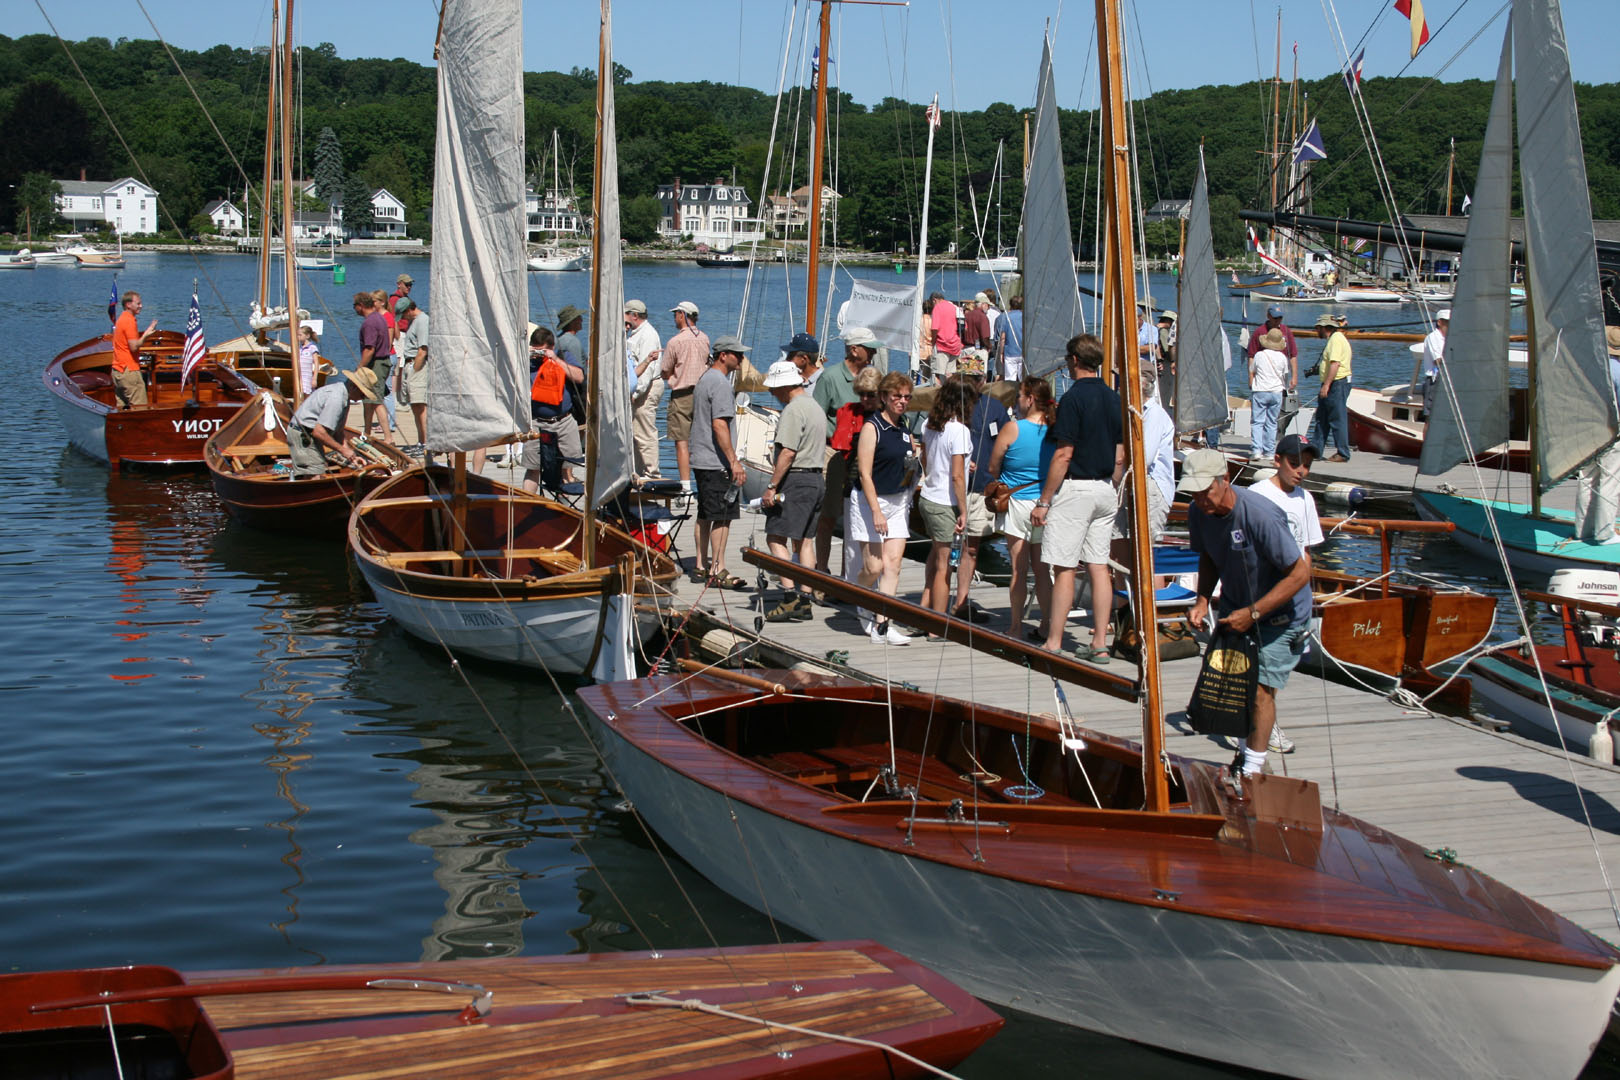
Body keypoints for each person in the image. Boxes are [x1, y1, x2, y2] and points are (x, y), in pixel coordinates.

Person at [1180, 448, 1311, 778]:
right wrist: (1202, 600)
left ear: (1224, 479)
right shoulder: (1199, 510)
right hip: (1238, 608)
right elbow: (1208, 555)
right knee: (1236, 685)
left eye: (1205, 491)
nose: (1200, 500)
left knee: (1260, 691)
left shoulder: (1259, 515)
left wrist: (1253, 614)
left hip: (1281, 614)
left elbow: (1300, 574)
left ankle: (1252, 771)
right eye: (1193, 493)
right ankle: (1246, 755)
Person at [1031, 334, 1123, 663]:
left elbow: (1063, 454)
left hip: (1077, 488)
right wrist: (1110, 484)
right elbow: (1120, 454)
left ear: (1074, 360)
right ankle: (1099, 642)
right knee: (1098, 566)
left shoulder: (1072, 399)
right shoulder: (1114, 398)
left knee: (1065, 566)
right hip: (1105, 488)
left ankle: (1054, 641)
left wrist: (1044, 500)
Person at [851, 372, 917, 645]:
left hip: (898, 500)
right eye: (897, 396)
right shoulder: (873, 427)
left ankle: (883, 624)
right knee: (874, 566)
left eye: (907, 397)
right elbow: (865, 473)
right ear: (884, 397)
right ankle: (860, 596)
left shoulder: (904, 428)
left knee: (893, 565)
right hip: (871, 500)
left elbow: (909, 462)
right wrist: (876, 510)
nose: (902, 401)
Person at [987, 375, 1055, 636]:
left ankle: (1015, 626)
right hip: (1046, 503)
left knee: (1019, 569)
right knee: (1042, 570)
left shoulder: (1013, 428)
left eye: (1020, 396)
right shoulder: (1054, 429)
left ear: (1030, 399)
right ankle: (1046, 624)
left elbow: (993, 466)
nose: (1017, 401)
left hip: (1017, 502)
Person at [760, 359, 827, 622]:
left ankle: (789, 597)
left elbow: (788, 452)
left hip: (796, 480)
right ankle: (805, 598)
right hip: (816, 479)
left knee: (775, 537)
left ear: (784, 386)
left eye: (773, 389)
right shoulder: (815, 407)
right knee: (805, 541)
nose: (772, 393)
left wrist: (772, 486)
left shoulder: (793, 410)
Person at [813, 326, 879, 579]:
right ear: (854, 349)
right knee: (828, 515)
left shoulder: (873, 376)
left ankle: (848, 576)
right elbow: (817, 416)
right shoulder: (830, 377)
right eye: (869, 349)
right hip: (834, 453)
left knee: (856, 518)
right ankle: (821, 570)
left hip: (866, 455)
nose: (873, 353)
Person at [953, 352, 1009, 623]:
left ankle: (961, 602)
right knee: (950, 549)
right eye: (965, 378)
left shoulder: (995, 408)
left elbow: (1007, 443)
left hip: (984, 488)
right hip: (954, 489)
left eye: (975, 378)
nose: (971, 383)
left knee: (973, 548)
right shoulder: (949, 407)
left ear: (983, 380)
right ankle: (944, 603)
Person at [690, 335, 749, 589]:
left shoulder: (705, 379)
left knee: (705, 513)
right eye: (738, 354)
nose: (742, 358)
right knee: (722, 516)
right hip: (715, 461)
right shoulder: (721, 384)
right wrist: (733, 461)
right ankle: (718, 568)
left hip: (701, 458)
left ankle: (700, 565)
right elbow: (719, 424)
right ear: (723, 355)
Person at [918, 378, 974, 624]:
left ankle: (923, 612)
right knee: (945, 566)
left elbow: (925, 458)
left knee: (934, 557)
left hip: (928, 496)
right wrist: (963, 510)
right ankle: (937, 624)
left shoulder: (928, 424)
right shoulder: (959, 430)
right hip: (945, 502)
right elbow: (957, 476)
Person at [286, 367, 381, 476]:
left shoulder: (344, 395)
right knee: (315, 471)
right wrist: (343, 450)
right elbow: (319, 432)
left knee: (318, 466)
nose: (363, 398)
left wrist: (351, 455)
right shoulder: (336, 399)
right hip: (303, 434)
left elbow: (338, 432)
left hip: (311, 433)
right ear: (354, 387)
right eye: (363, 394)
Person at [522, 326, 584, 491]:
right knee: (533, 468)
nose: (539, 354)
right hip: (536, 423)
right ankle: (528, 502)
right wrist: (525, 354)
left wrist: (554, 358)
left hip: (563, 421)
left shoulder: (563, 356)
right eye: (536, 350)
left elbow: (579, 377)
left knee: (567, 467)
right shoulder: (527, 362)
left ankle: (564, 502)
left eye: (542, 350)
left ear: (551, 347)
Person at [1574, 326, 1620, 544]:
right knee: (1610, 481)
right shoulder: (1618, 370)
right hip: (1612, 430)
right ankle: (1604, 533)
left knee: (1586, 480)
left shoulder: (1589, 367)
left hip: (1587, 429)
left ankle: (1583, 530)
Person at [661, 300, 710, 489]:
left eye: (676, 314)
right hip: (702, 394)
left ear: (682, 315)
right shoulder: (704, 338)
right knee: (701, 440)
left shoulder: (675, 342)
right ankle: (703, 483)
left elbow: (665, 370)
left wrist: (672, 374)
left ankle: (686, 487)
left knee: (681, 441)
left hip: (681, 395)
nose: (675, 317)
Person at [624, 299, 664, 478]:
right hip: (639, 386)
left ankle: (652, 472)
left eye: (625, 315)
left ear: (634, 315)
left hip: (647, 387)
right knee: (636, 431)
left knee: (644, 430)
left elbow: (647, 369)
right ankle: (639, 471)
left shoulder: (647, 335)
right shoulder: (634, 334)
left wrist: (636, 392)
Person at [354, 292, 394, 445]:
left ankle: (388, 438)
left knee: (377, 401)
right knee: (368, 400)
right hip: (381, 362)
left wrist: (360, 368)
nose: (354, 309)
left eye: (355, 306)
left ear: (361, 306)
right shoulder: (379, 317)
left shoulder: (370, 322)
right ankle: (367, 433)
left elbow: (370, 349)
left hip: (376, 364)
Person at [1311, 314, 1353, 462]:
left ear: (1324, 327)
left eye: (1318, 328)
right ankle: (1315, 451)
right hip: (1333, 382)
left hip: (1337, 383)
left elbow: (1335, 364)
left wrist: (1326, 385)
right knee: (1322, 418)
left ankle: (1343, 453)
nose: (1316, 331)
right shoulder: (1335, 339)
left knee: (1337, 418)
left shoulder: (1336, 340)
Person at [1248, 327, 1292, 461]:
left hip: (1261, 390)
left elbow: (1252, 370)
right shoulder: (1283, 357)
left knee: (1257, 422)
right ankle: (1269, 452)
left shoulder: (1259, 355)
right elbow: (1285, 375)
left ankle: (1257, 450)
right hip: (1277, 391)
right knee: (1272, 422)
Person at [395, 299, 431, 455]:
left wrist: (415, 370)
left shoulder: (422, 321)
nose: (403, 318)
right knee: (415, 407)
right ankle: (421, 441)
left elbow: (423, 349)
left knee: (421, 406)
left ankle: (426, 444)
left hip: (418, 367)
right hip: (409, 364)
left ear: (409, 310)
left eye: (403, 314)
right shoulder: (414, 321)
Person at [111, 290, 157, 408]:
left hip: (117, 371)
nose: (141, 306)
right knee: (139, 409)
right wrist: (146, 335)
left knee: (122, 409)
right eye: (138, 303)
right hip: (129, 371)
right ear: (128, 304)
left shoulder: (121, 319)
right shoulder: (129, 321)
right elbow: (134, 347)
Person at [1420, 309, 1449, 420]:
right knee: (1430, 418)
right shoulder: (1433, 337)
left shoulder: (1450, 339)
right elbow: (1437, 361)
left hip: (1448, 380)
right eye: (1447, 322)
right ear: (1439, 322)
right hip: (1434, 380)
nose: (1450, 325)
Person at [927, 291, 962, 381]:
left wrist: (933, 341)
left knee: (938, 375)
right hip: (955, 345)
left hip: (942, 345)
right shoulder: (954, 307)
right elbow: (963, 327)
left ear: (934, 300)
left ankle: (941, 389)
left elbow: (935, 328)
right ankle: (951, 389)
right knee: (950, 374)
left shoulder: (937, 308)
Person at [995, 295, 1024, 382]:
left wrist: (1001, 352)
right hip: (1023, 352)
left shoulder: (1006, 317)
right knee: (1023, 380)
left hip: (1010, 352)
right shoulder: (1025, 317)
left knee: (1010, 380)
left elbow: (1003, 337)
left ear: (1010, 304)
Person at [296, 324, 320, 399]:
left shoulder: (312, 347)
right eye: (297, 335)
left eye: (300, 335)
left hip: (307, 376)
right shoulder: (299, 348)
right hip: (300, 375)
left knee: (307, 394)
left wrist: (314, 379)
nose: (298, 337)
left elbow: (316, 363)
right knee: (299, 393)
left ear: (307, 336)